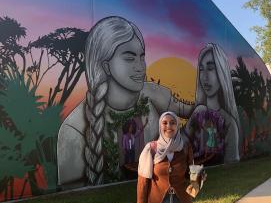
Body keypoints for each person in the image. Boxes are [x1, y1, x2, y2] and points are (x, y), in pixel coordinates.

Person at [57, 16, 194, 187]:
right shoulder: (74, 129)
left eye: (141, 57)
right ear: (106, 66)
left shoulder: (154, 95)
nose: (140, 66)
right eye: (129, 58)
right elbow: (72, 190)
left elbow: (191, 113)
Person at [137, 111, 205, 203]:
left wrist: (197, 180)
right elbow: (142, 184)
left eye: (173, 123)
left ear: (177, 126)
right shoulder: (151, 149)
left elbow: (191, 177)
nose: (169, 126)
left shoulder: (185, 147)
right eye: (165, 123)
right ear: (160, 126)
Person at [183, 43, 240, 164]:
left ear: (221, 72)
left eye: (210, 68)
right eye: (201, 69)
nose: (204, 77)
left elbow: (231, 164)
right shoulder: (198, 112)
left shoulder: (229, 123)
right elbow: (182, 143)